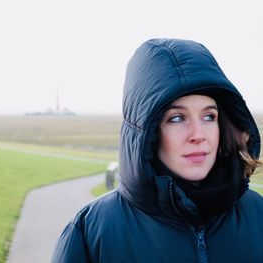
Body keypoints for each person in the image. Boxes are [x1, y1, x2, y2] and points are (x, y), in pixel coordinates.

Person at [51, 38, 263, 262]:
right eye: (177, 118)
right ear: (147, 131)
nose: (198, 135)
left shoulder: (258, 214)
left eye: (209, 116)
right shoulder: (90, 232)